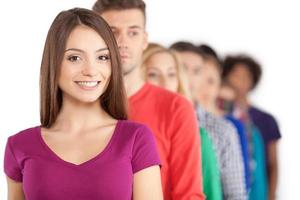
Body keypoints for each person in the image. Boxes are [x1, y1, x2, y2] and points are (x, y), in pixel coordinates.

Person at [4, 8, 163, 200]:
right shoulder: (19, 145)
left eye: (102, 57)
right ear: (53, 63)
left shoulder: (136, 139)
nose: (91, 70)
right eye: (75, 58)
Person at [92, 1, 205, 199]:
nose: (122, 42)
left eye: (133, 32)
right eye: (112, 31)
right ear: (95, 38)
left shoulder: (175, 108)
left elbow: (188, 194)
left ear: (145, 40)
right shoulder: (78, 103)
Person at [142, 42, 223, 200]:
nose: (165, 83)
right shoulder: (120, 128)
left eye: (172, 75)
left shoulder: (200, 137)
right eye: (153, 74)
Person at [171, 41, 247, 200]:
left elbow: (236, 195)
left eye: (197, 71)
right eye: (183, 68)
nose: (189, 77)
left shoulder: (222, 129)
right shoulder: (146, 123)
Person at [222, 54, 281, 200]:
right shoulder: (219, 115)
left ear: (253, 81)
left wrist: (271, 196)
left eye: (245, 76)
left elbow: (273, 164)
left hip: (258, 190)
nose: (239, 81)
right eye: (235, 75)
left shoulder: (266, 120)